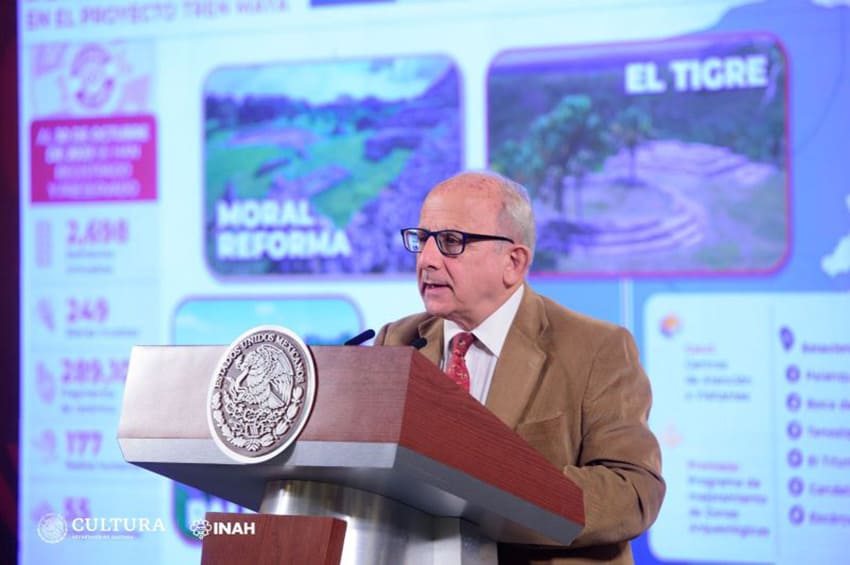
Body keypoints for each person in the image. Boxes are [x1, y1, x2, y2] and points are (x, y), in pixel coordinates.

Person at [374, 170, 665, 564]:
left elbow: (632, 490)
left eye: (451, 242)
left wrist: (490, 489)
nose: (426, 260)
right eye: (422, 239)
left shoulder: (598, 349)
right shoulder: (397, 340)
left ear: (513, 261)